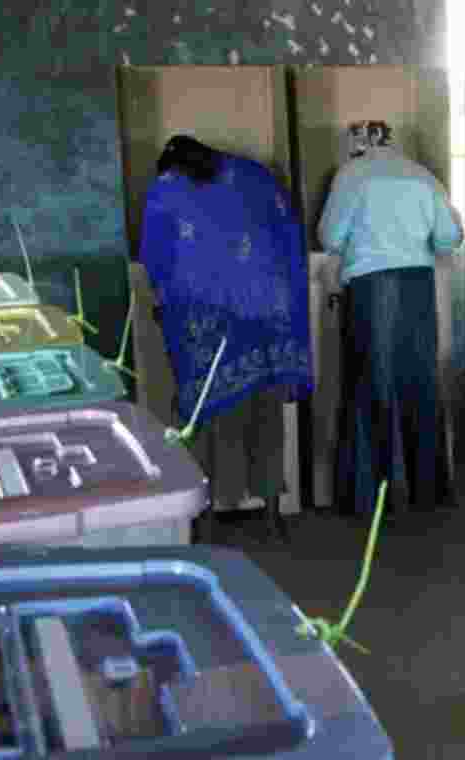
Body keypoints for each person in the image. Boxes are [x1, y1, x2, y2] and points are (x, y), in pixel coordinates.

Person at [139, 135, 313, 536]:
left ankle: (206, 519)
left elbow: (155, 256)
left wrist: (164, 302)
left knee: (202, 414)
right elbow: (288, 237)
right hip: (267, 317)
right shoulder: (254, 175)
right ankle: (271, 515)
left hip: (203, 321)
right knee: (266, 414)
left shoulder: (168, 187)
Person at [319, 120, 464, 519]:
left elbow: (329, 236)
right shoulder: (422, 175)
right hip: (418, 285)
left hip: (370, 287)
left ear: (357, 145)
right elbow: (450, 237)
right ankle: (427, 491)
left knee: (371, 384)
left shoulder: (351, 175)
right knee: (420, 382)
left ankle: (373, 496)